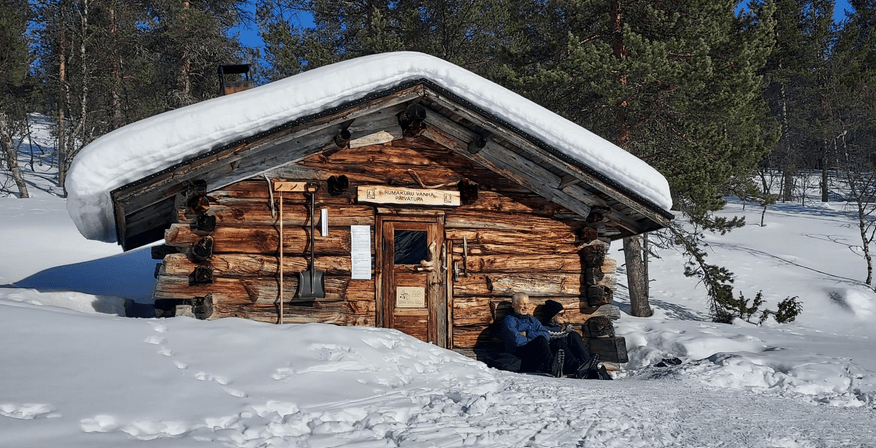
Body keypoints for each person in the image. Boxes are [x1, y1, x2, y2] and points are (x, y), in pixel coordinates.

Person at [541, 300, 611, 380]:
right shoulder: (545, 330)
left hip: (576, 359)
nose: (563, 316)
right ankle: (579, 368)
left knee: (573, 335)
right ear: (552, 316)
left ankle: (589, 364)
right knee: (558, 342)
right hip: (563, 363)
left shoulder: (567, 329)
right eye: (560, 314)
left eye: (564, 313)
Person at [499, 292, 562, 377]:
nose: (526, 307)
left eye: (527, 304)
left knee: (558, 342)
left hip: (533, 351)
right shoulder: (509, 320)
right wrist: (535, 340)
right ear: (514, 305)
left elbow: (546, 334)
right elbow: (517, 341)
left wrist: (528, 334)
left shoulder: (532, 320)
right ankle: (551, 367)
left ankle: (575, 367)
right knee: (540, 340)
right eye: (522, 304)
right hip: (519, 353)